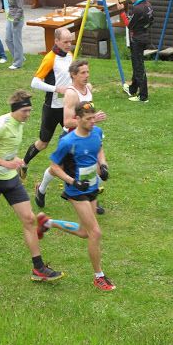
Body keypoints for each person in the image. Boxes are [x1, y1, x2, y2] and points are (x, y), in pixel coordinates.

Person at [0, 90, 64, 282]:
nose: (28, 115)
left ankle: (38, 268)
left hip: (11, 179)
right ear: (15, 110)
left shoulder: (19, 123)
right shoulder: (1, 125)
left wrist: (15, 161)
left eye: (30, 111)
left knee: (29, 219)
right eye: (25, 111)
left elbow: (7, 152)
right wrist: (5, 163)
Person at [40, 101, 115, 291]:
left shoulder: (96, 132)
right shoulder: (68, 142)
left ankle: (48, 223)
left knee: (84, 232)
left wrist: (103, 165)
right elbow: (54, 167)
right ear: (78, 119)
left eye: (93, 118)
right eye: (88, 119)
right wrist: (72, 181)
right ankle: (99, 276)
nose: (92, 122)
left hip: (92, 187)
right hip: (76, 190)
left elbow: (99, 148)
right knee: (95, 233)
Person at [34, 59, 106, 213]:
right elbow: (67, 122)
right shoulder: (71, 94)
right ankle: (41, 189)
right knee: (58, 169)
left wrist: (91, 120)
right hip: (72, 139)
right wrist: (93, 119)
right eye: (83, 73)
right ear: (73, 75)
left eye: (88, 72)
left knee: (95, 167)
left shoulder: (89, 88)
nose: (87, 75)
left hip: (87, 135)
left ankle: (91, 198)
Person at [21, 28, 73, 178]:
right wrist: (57, 89)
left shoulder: (69, 55)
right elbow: (35, 82)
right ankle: (24, 163)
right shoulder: (50, 58)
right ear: (56, 41)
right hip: (52, 109)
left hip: (67, 108)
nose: (69, 45)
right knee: (43, 143)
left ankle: (74, 177)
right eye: (65, 42)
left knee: (73, 139)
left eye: (70, 41)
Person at [120, 0, 153, 103]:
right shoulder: (148, 5)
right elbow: (151, 21)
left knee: (139, 67)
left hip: (138, 40)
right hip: (144, 36)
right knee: (136, 64)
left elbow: (129, 25)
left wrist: (121, 12)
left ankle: (143, 96)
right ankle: (133, 88)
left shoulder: (137, 8)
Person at [5, 0, 25, 70]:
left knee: (17, 41)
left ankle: (18, 63)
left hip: (16, 20)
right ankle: (20, 57)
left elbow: (20, 9)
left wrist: (16, 20)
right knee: (8, 39)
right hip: (10, 18)